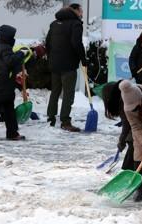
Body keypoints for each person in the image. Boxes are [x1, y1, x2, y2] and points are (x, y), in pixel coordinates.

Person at [46, 3, 88, 132]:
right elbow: (76, 43)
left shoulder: (54, 24)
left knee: (55, 91)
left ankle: (51, 118)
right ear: (75, 11)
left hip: (54, 63)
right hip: (68, 64)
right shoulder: (75, 24)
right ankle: (65, 121)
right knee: (68, 93)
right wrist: (83, 59)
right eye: (81, 11)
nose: (82, 14)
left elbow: (48, 42)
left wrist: (52, 58)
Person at [101, 81, 134, 171]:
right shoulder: (124, 97)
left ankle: (128, 169)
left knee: (132, 141)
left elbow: (127, 126)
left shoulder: (124, 102)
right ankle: (127, 168)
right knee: (131, 140)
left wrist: (121, 141)